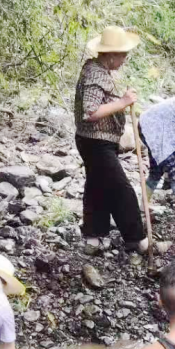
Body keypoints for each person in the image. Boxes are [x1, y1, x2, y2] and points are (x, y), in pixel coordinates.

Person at [74, 26, 147, 253]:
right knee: (120, 188)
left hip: (95, 140)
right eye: (123, 55)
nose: (125, 59)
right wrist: (123, 102)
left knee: (97, 186)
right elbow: (90, 111)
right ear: (111, 54)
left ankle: (94, 236)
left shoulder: (95, 69)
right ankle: (137, 239)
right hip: (95, 141)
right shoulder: (96, 74)